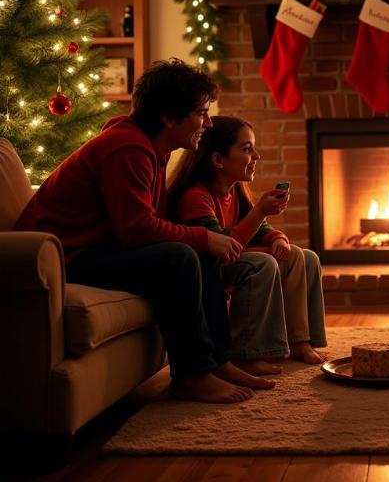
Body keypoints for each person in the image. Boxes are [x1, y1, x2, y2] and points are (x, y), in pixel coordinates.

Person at [13, 59, 275, 404]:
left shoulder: (151, 149)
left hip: (95, 249)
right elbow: (136, 230)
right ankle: (192, 376)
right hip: (63, 258)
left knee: (196, 250)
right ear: (168, 117)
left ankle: (218, 362)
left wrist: (205, 241)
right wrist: (204, 236)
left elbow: (143, 224)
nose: (207, 123)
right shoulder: (127, 148)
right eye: (200, 113)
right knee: (181, 256)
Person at [168, 115, 327, 369]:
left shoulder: (235, 191)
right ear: (218, 160)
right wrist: (260, 212)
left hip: (229, 259)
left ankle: (299, 339)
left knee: (303, 256)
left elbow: (260, 230)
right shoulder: (196, 197)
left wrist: (278, 239)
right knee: (261, 263)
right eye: (246, 149)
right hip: (206, 268)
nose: (257, 156)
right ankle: (248, 353)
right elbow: (220, 250)